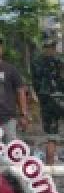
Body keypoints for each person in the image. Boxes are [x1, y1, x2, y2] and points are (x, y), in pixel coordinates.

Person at [31, 31, 64, 163]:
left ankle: (49, 173)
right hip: (61, 97)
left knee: (51, 137)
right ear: (55, 43)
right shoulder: (61, 59)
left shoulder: (36, 62)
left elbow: (35, 83)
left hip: (46, 101)